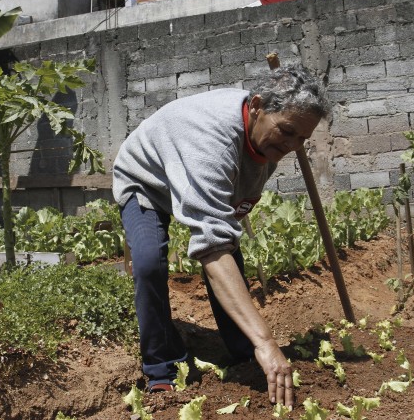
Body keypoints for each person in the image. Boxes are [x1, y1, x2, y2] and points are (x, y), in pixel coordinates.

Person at [112, 64, 330, 408]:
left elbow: (224, 232)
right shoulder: (210, 141)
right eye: (287, 132)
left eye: (302, 139)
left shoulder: (265, 138)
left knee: (229, 250)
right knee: (150, 262)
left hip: (192, 168)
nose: (292, 145)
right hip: (146, 180)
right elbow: (211, 247)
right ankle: (160, 366)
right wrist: (267, 343)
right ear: (257, 106)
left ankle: (242, 350)